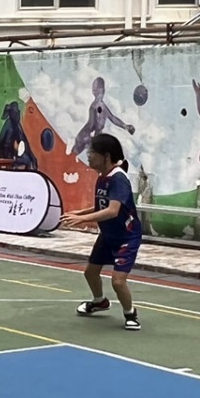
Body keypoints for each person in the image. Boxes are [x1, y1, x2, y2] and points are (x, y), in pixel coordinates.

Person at [65, 132, 143, 332]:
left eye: (92, 152)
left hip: (126, 237)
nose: (89, 156)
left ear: (106, 156)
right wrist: (79, 213)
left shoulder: (118, 179)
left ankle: (130, 314)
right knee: (90, 273)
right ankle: (99, 301)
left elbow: (112, 211)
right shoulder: (102, 177)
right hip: (108, 235)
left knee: (118, 281)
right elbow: (102, 205)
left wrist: (82, 220)